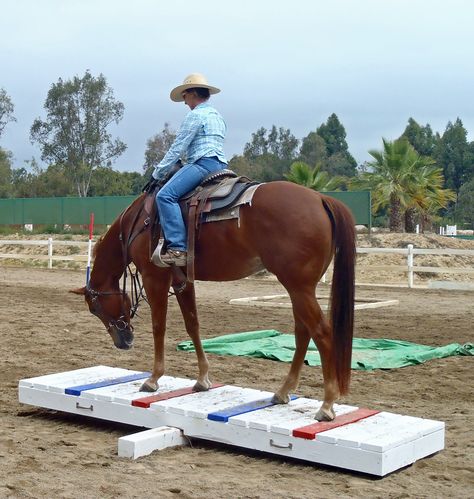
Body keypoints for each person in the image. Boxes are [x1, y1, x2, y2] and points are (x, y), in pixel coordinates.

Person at [150, 73, 228, 267]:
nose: (184, 102)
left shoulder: (195, 115)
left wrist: (157, 173)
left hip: (203, 164)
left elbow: (178, 147)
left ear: (192, 93)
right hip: (221, 165)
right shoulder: (217, 116)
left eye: (185, 96)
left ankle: (178, 249)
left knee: (165, 196)